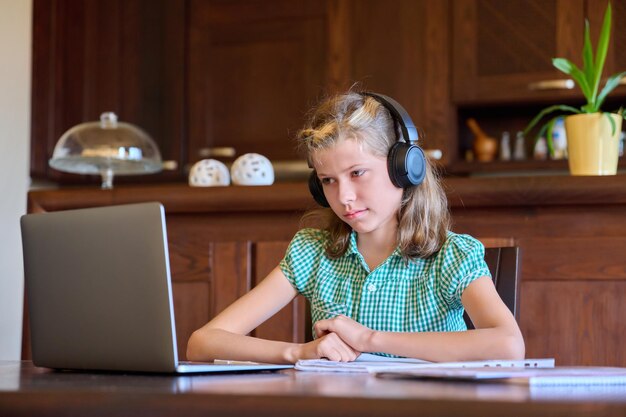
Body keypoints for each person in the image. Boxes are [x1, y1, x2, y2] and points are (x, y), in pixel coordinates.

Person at [187, 91, 525, 363]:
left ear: (405, 169)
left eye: (357, 173)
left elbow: (508, 344)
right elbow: (203, 343)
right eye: (328, 181)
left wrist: (369, 339)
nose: (344, 197)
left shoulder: (452, 255)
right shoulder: (312, 252)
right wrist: (297, 352)